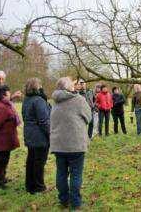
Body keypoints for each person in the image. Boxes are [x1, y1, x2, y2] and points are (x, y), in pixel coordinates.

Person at [50, 77, 92, 209]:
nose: (75, 86)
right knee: (76, 174)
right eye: (72, 85)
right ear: (68, 87)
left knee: (61, 173)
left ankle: (63, 200)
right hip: (75, 143)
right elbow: (89, 117)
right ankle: (75, 202)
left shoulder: (55, 101)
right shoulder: (79, 99)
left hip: (59, 144)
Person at [22, 78, 51, 194]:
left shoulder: (26, 99)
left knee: (31, 160)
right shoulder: (38, 100)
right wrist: (50, 134)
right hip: (39, 135)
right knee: (39, 162)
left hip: (29, 133)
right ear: (36, 87)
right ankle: (39, 187)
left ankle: (30, 185)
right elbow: (44, 121)